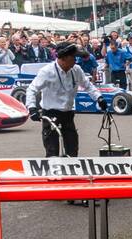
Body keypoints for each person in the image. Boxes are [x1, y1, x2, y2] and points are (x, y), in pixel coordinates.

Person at [26, 43, 102, 187]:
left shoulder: (76, 70)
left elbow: (88, 86)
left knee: (72, 147)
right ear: (64, 58)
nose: (76, 61)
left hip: (68, 113)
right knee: (52, 149)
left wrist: (99, 98)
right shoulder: (47, 71)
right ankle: (53, 183)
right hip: (51, 113)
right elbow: (31, 89)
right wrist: (32, 108)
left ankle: (71, 180)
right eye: (73, 58)